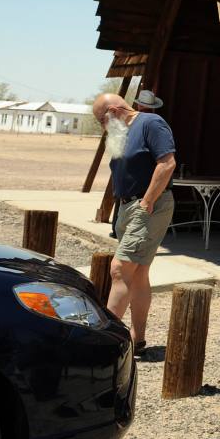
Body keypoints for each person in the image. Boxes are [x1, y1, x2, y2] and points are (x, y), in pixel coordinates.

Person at [91, 92, 177, 356]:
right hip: (128, 207)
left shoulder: (151, 123)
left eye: (102, 121)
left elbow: (167, 163)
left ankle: (105, 344)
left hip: (149, 206)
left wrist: (146, 203)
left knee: (119, 269)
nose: (103, 127)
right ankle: (136, 339)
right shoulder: (121, 133)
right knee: (138, 274)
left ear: (115, 110)